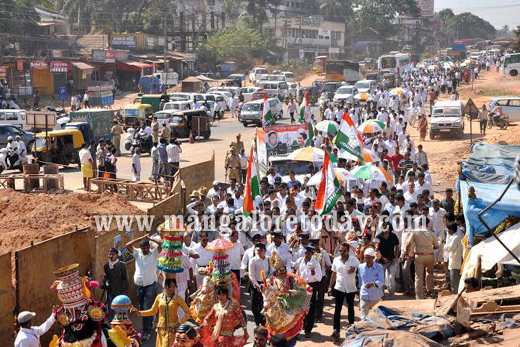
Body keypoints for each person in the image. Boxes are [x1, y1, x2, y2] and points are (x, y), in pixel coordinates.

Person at [132, 278, 191, 347]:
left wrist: (179, 323)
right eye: (169, 286)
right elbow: (153, 311)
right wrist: (139, 313)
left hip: (172, 330)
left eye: (173, 286)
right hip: (161, 330)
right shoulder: (159, 297)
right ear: (165, 286)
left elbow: (188, 312)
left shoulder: (178, 298)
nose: (172, 289)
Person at [126, 234, 162, 341]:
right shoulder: (137, 253)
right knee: (142, 308)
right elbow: (127, 245)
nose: (145, 249)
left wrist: (150, 238)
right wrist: (140, 238)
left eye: (146, 247)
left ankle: (146, 331)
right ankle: (151, 320)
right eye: (143, 247)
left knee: (146, 308)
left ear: (149, 247)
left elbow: (162, 244)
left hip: (151, 285)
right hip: (139, 285)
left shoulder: (154, 253)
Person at [329, 242, 359, 341]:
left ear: (348, 251)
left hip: (350, 288)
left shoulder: (354, 260)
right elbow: (333, 274)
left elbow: (360, 270)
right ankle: (336, 330)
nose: (342, 252)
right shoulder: (336, 260)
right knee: (337, 310)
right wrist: (330, 287)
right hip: (339, 288)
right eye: (340, 251)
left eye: (344, 251)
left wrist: (354, 269)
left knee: (351, 308)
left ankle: (351, 329)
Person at [406, 217, 438, 299]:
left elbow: (408, 244)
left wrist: (407, 253)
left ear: (420, 223)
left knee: (419, 276)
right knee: (430, 273)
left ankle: (419, 296)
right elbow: (436, 246)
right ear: (427, 224)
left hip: (419, 256)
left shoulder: (415, 232)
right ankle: (429, 291)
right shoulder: (432, 233)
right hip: (430, 255)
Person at [296, 245, 322, 337]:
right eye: (306, 253)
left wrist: (314, 274)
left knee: (311, 307)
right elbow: (297, 273)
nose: (307, 255)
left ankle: (308, 329)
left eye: (308, 253)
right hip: (301, 286)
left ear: (312, 254)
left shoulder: (315, 263)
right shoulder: (300, 261)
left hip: (311, 285)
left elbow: (319, 278)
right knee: (300, 307)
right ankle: (300, 327)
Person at [375, 222, 400, 299]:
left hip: (391, 260)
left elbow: (397, 247)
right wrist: (382, 258)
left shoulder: (393, 236)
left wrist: (395, 258)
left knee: (391, 278)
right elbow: (376, 250)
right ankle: (382, 295)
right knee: (381, 278)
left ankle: (392, 294)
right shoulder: (378, 237)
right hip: (381, 261)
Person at [358, 247, 384, 318]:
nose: (367, 260)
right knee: (364, 317)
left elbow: (381, 281)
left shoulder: (379, 267)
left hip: (376, 297)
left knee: (376, 318)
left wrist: (373, 284)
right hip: (364, 295)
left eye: (369, 258)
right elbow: (360, 281)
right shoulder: (360, 267)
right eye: (366, 258)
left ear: (373, 258)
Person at [248, 243, 270, 326]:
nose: (259, 252)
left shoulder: (268, 259)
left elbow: (270, 272)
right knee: (253, 306)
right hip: (255, 284)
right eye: (258, 250)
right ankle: (258, 321)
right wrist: (257, 286)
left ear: (265, 251)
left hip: (265, 284)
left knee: (264, 305)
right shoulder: (252, 260)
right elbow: (251, 275)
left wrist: (266, 282)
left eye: (261, 250)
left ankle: (263, 323)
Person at [103, 247, 128, 319]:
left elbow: (125, 278)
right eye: (109, 254)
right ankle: (111, 324)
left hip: (120, 290)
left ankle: (121, 323)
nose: (111, 256)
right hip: (110, 290)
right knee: (110, 307)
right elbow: (107, 277)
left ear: (117, 255)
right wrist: (105, 282)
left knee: (120, 308)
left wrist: (125, 291)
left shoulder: (122, 265)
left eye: (113, 254)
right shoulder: (106, 266)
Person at [445, 222, 463, 294]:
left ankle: (455, 296)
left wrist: (443, 245)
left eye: (448, 230)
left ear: (452, 230)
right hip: (456, 261)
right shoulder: (457, 237)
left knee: (454, 282)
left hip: (455, 263)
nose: (448, 232)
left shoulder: (455, 238)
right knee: (455, 280)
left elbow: (449, 248)